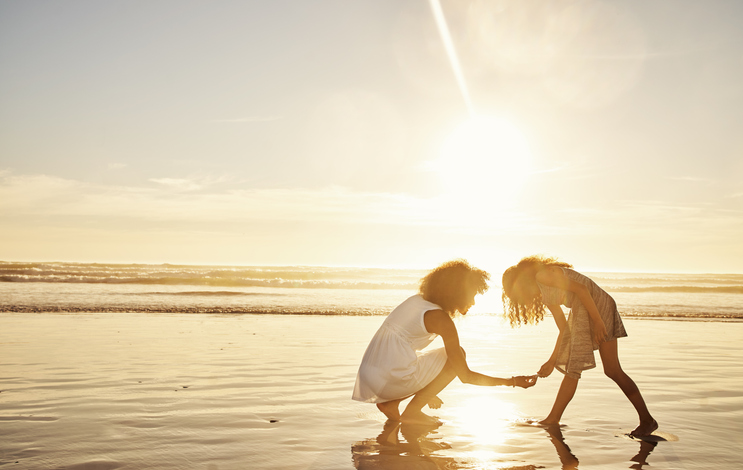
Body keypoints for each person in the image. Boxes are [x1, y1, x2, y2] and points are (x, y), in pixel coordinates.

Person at [352, 259, 537, 425]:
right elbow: (466, 376)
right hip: (388, 378)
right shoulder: (440, 319)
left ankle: (393, 403)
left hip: (371, 373)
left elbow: (398, 351)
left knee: (442, 357)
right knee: (457, 356)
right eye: (472, 294)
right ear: (457, 293)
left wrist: (428, 390)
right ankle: (408, 410)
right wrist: (512, 382)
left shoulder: (416, 301)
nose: (473, 302)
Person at [501, 255, 658, 437]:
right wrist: (552, 361)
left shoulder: (542, 276)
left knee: (585, 368)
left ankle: (553, 418)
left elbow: (582, 290)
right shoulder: (545, 293)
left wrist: (598, 321)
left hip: (596, 306)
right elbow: (564, 330)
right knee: (611, 370)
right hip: (585, 309)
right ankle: (647, 420)